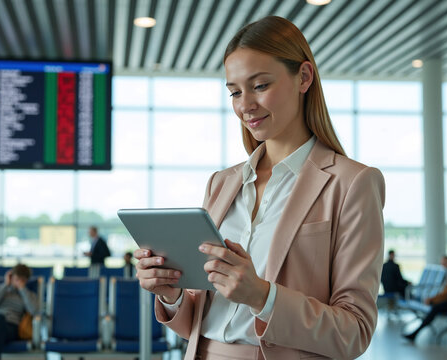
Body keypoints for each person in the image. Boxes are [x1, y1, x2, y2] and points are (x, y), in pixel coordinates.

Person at [134, 16, 385, 360]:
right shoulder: (221, 184)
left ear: (304, 77)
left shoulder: (352, 183)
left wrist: (262, 297)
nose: (245, 104)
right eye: (235, 91)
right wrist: (171, 293)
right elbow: (200, 319)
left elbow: (354, 332)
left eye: (260, 85)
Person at [0, 264, 38, 360]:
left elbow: (34, 311)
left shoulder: (29, 294)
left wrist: (22, 289)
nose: (18, 282)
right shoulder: (0, 288)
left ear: (26, 280)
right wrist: (6, 285)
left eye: (21, 280)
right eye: (16, 278)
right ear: (11, 277)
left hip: (11, 327)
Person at [403, 256, 447, 342]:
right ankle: (416, 332)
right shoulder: (446, 275)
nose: (443, 265)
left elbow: (446, 293)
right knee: (434, 308)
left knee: (435, 308)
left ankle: (416, 332)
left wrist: (432, 299)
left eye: (445, 263)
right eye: (442, 263)